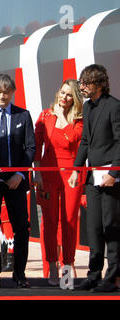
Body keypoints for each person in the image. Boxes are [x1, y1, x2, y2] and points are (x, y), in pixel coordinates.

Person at [68, 64, 120, 292]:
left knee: (112, 226)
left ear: (98, 85)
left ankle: (112, 277)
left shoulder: (114, 107)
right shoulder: (87, 107)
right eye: (81, 83)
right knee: (94, 227)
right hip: (92, 177)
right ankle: (94, 274)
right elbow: (86, 141)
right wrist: (75, 169)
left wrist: (114, 172)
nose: (82, 88)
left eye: (85, 84)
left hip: (111, 178)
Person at [0, 73, 35, 289]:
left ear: (12, 92)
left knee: (21, 227)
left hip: (16, 181)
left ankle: (19, 273)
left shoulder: (23, 115)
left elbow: (30, 148)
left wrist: (20, 175)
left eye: (6, 91)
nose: (2, 95)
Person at [33, 79, 84, 286]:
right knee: (49, 222)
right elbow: (37, 147)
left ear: (75, 98)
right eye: (62, 93)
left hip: (72, 174)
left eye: (69, 94)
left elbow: (77, 143)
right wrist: (38, 174)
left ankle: (68, 265)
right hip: (48, 174)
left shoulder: (79, 119)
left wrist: (63, 116)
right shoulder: (45, 116)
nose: (64, 97)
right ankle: (51, 265)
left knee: (70, 222)